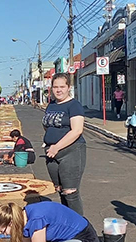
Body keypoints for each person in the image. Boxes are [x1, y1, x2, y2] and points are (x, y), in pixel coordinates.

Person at [42, 73, 87, 216]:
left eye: (62, 86)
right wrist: (49, 140)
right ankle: (67, 224)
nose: (59, 90)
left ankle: (80, 229)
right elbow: (48, 124)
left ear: (69, 88)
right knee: (60, 189)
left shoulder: (74, 105)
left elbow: (77, 130)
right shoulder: (52, 105)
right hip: (51, 153)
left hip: (71, 152)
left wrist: (57, 146)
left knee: (70, 191)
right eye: (55, 87)